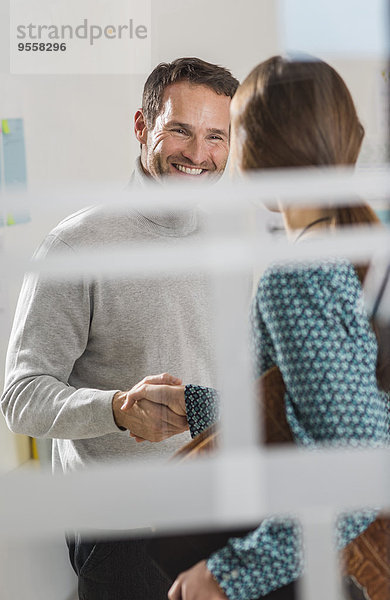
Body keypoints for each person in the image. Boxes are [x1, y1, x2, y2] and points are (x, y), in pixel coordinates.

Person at [123, 56, 390, 599]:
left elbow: (355, 464)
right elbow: (320, 408)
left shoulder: (296, 277)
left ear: (257, 151)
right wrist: (194, 406)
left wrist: (228, 574)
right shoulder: (354, 250)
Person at [0, 57, 239, 600]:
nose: (199, 155)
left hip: (212, 514)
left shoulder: (229, 243)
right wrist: (115, 409)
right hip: (122, 531)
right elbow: (19, 397)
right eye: (180, 130)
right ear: (141, 126)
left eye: (215, 137)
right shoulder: (76, 245)